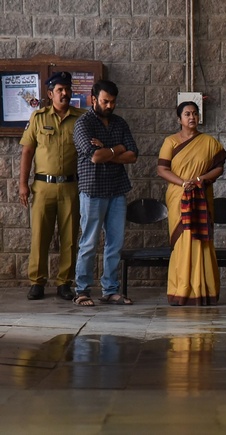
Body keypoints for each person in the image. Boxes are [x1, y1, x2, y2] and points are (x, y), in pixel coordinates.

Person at [19, 72, 85, 301]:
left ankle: (64, 283)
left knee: (70, 237)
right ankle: (37, 282)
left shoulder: (81, 118)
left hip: (70, 186)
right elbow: (27, 151)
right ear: (50, 94)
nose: (64, 93)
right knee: (40, 235)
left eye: (67, 89)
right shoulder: (38, 118)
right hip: (42, 186)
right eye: (59, 90)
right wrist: (23, 184)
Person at [72, 80, 138, 306]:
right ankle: (82, 290)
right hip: (92, 190)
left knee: (115, 244)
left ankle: (110, 290)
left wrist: (107, 149)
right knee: (89, 243)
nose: (109, 106)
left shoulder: (119, 123)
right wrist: (117, 148)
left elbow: (133, 155)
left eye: (112, 102)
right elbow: (95, 156)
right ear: (93, 99)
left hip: (117, 189)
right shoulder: (83, 124)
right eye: (105, 101)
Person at [157, 101, 226, 306]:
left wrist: (201, 179)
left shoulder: (209, 142)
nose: (192, 117)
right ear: (179, 119)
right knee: (182, 240)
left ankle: (204, 290)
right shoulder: (170, 142)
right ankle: (181, 290)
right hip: (178, 197)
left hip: (201, 195)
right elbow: (162, 170)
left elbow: (219, 167)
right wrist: (183, 183)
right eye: (187, 114)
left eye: (195, 114)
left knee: (201, 240)